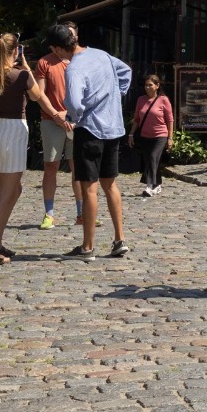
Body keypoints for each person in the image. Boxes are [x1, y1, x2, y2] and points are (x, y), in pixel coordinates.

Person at [0, 34, 70, 265]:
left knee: (14, 190)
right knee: (6, 192)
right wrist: (27, 68)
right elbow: (38, 96)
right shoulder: (21, 75)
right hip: (13, 130)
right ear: (16, 51)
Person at [54, 23, 134, 259]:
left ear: (58, 49)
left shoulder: (73, 68)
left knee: (89, 187)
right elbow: (126, 71)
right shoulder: (100, 54)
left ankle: (87, 246)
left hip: (90, 130)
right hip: (113, 126)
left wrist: (71, 116)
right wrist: (114, 96)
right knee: (110, 184)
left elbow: (76, 104)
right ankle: (119, 239)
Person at [34, 40, 78, 230]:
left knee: (78, 166)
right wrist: (56, 115)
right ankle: (49, 214)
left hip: (77, 121)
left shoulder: (80, 60)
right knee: (51, 165)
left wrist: (75, 116)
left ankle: (83, 212)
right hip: (51, 120)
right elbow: (39, 94)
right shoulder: (45, 62)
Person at [128, 74, 174, 197]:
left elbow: (170, 119)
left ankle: (149, 185)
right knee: (151, 161)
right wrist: (131, 134)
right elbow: (137, 119)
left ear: (157, 86)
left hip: (160, 135)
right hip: (145, 136)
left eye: (150, 85)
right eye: (146, 85)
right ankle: (157, 184)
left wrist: (170, 138)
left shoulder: (163, 100)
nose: (147, 87)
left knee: (153, 157)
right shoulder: (141, 100)